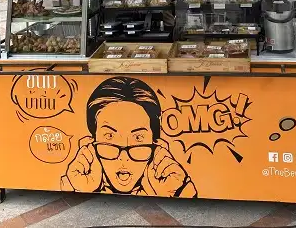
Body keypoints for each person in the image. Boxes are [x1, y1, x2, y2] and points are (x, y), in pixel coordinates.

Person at [61, 76, 196, 197]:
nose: (123, 157)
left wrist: (181, 190)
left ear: (157, 145)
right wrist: (76, 188)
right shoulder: (79, 179)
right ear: (90, 144)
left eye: (138, 138)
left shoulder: (170, 184)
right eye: (109, 136)